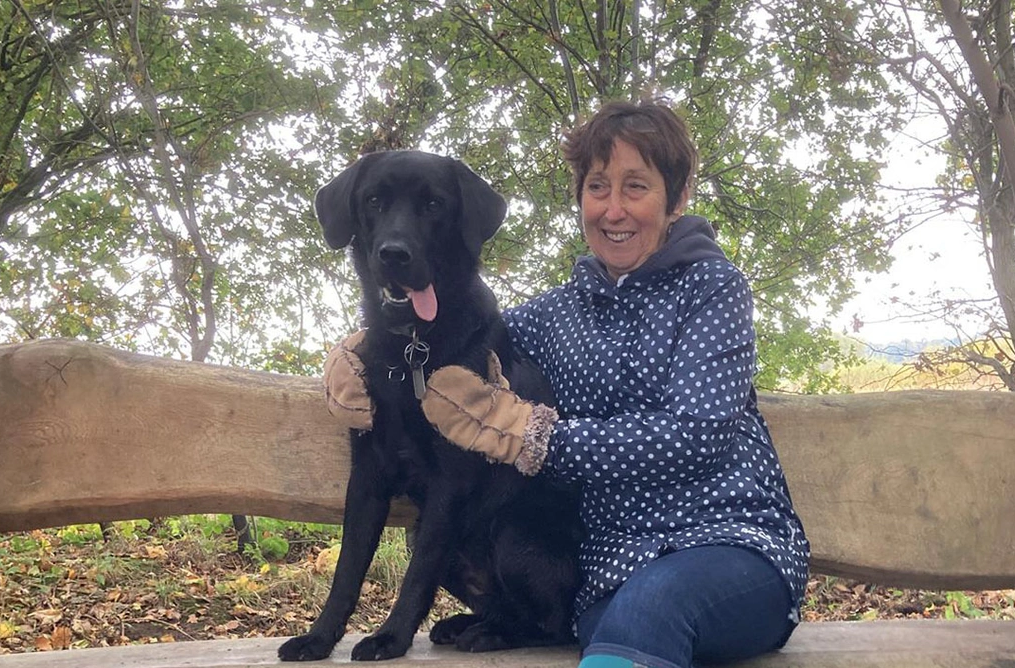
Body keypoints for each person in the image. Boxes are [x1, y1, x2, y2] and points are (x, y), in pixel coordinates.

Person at [325, 100, 809, 668]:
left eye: (636, 187)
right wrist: (357, 355)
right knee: (623, 621)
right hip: (607, 572)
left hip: (733, 549)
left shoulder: (712, 289)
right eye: (598, 187)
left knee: (650, 611)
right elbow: (465, 334)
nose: (613, 209)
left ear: (675, 200)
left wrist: (535, 436)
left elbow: (697, 435)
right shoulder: (558, 313)